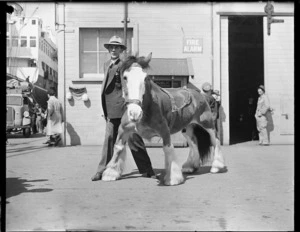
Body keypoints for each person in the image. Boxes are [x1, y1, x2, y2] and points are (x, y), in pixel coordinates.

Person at [91, 35, 157, 181]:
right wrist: (103, 110)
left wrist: (130, 105)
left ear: (121, 49)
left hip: (123, 107)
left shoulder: (125, 65)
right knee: (109, 138)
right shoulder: (106, 64)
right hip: (110, 107)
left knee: (133, 138)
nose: (113, 49)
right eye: (111, 47)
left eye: (117, 47)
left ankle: (147, 169)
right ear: (108, 49)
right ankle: (102, 170)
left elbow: (129, 86)